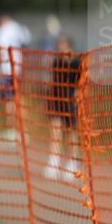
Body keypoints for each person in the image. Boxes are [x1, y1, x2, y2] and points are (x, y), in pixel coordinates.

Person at [44, 34, 82, 182]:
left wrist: (77, 100)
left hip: (71, 100)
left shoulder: (77, 63)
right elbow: (53, 81)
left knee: (71, 132)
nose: (60, 48)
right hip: (57, 99)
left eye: (62, 45)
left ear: (69, 46)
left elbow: (80, 85)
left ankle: (73, 162)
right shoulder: (56, 62)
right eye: (58, 45)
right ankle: (54, 160)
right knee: (55, 130)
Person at [0, 12, 31, 142]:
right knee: (19, 98)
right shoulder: (18, 28)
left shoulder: (2, 31)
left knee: (8, 100)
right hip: (18, 68)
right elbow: (26, 42)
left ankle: (11, 130)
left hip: (6, 69)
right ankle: (24, 130)